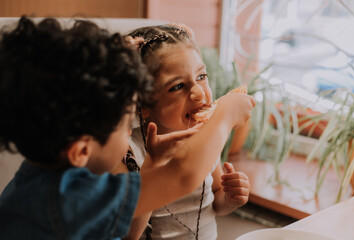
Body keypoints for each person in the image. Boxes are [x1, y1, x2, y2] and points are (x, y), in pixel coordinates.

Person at [0, 17, 255, 240]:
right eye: (125, 126)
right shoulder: (74, 200)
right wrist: (224, 116)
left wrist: (153, 163)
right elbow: (182, 175)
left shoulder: (37, 180)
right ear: (81, 151)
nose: (131, 131)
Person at [117, 24, 254, 240]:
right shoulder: (128, 151)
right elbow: (127, 235)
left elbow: (216, 197)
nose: (198, 93)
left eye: (201, 76)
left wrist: (230, 199)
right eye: (177, 86)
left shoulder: (205, 138)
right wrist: (152, 167)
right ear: (143, 104)